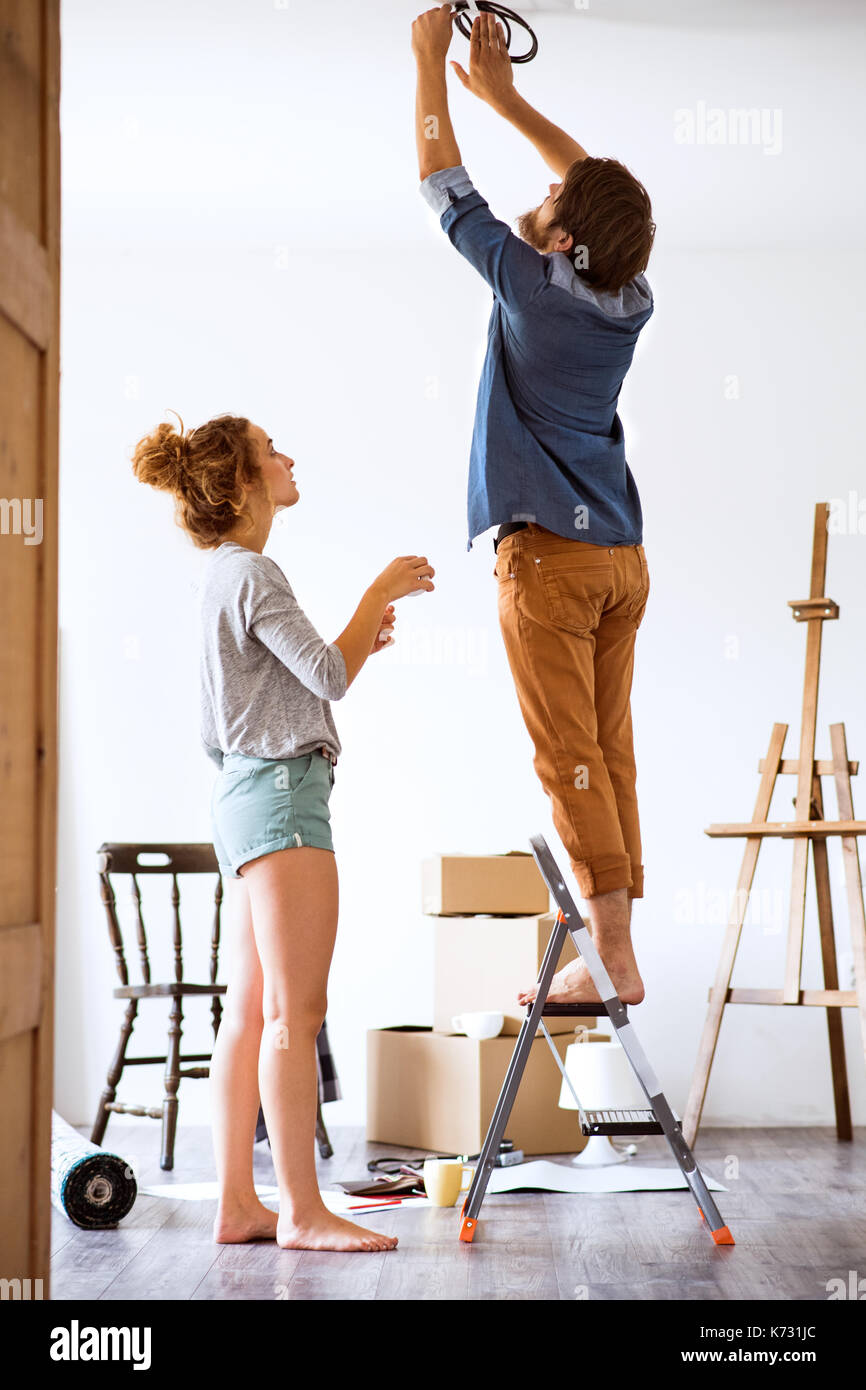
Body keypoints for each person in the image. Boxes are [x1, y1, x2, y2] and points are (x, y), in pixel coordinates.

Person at [132, 411, 434, 1251]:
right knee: (296, 1016)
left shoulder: (222, 576)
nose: (289, 458)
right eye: (272, 451)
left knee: (252, 1009)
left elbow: (303, 679)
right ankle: (302, 1212)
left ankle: (240, 1205)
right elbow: (329, 677)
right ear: (240, 484)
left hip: (240, 793)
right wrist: (380, 591)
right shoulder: (256, 575)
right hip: (282, 795)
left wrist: (360, 636)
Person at [411, 7, 656, 1007]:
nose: (542, 186)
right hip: (617, 564)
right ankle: (613, 937)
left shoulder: (529, 283)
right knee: (606, 752)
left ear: (557, 238)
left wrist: (427, 62)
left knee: (571, 760)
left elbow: (440, 183)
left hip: (550, 565)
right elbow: (591, 185)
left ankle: (610, 957)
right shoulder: (626, 297)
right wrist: (503, 98)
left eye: (549, 196)